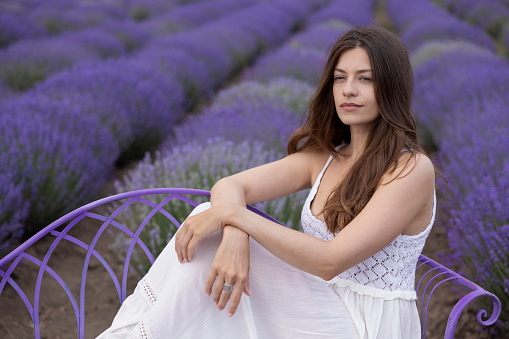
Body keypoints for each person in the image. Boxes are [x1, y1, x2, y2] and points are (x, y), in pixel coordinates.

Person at [98, 26, 437, 339]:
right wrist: (234, 236)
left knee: (212, 223)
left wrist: (236, 218)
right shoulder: (324, 159)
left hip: (364, 322)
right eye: (339, 78)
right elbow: (229, 186)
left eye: (365, 79)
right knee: (210, 226)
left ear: (391, 87)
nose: (348, 89)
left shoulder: (411, 169)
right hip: (315, 302)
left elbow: (330, 261)